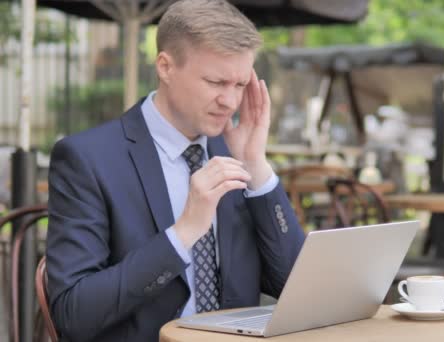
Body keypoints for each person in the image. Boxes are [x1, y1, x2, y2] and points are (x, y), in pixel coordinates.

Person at [45, 1, 305, 341]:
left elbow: (295, 287)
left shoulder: (236, 155)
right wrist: (182, 234)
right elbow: (73, 314)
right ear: (166, 67)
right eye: (216, 82)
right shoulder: (87, 159)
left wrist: (256, 168)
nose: (230, 102)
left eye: (240, 85)